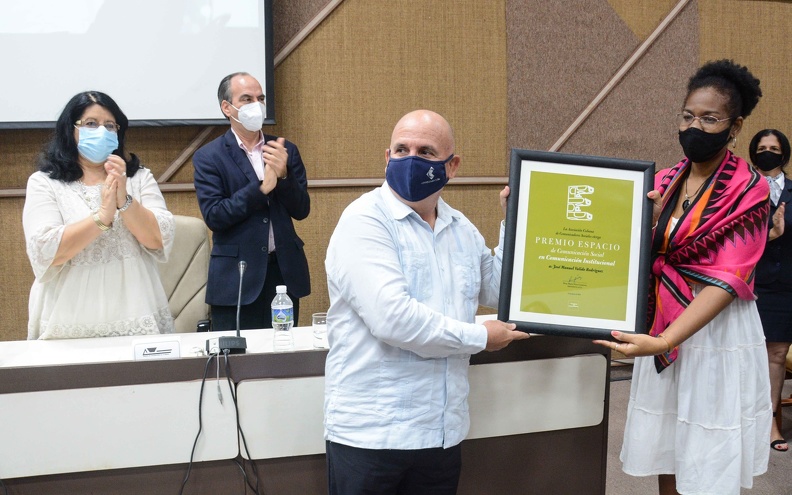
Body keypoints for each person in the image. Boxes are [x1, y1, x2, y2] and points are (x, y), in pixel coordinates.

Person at [323, 109, 530, 494]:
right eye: (401, 150)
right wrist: (480, 337)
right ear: (386, 158)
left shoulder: (460, 228)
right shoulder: (365, 221)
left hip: (440, 433)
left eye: (425, 151)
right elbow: (393, 319)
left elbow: (499, 291)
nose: (411, 160)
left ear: (452, 166)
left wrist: (517, 221)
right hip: (373, 436)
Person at [594, 60, 772, 494]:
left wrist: (667, 340)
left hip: (714, 332)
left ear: (735, 126)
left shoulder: (750, 189)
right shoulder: (663, 180)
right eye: (688, 115)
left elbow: (728, 279)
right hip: (665, 320)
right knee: (668, 445)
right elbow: (617, 250)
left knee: (708, 449)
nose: (695, 125)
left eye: (710, 118)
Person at [23, 91, 175, 339]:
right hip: (69, 313)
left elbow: (158, 239)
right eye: (91, 124)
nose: (102, 131)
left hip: (135, 307)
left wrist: (124, 200)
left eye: (110, 126)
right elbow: (45, 252)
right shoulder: (45, 183)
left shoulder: (138, 177)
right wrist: (102, 217)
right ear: (70, 130)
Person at [193, 72, 310, 330]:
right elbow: (215, 216)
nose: (255, 105)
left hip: (283, 273)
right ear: (227, 107)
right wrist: (263, 188)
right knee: (236, 360)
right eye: (246, 99)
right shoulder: (208, 157)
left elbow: (302, 210)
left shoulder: (283, 149)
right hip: (236, 276)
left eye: (260, 98)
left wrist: (285, 176)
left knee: (283, 355)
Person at [749, 128, 792, 452]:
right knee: (746, 352)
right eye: (762, 147)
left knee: (776, 355)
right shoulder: (745, 191)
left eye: (773, 148)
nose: (768, 152)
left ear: (784, 153)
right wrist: (770, 233)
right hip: (750, 283)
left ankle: (771, 422)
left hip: (786, 286)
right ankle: (742, 418)